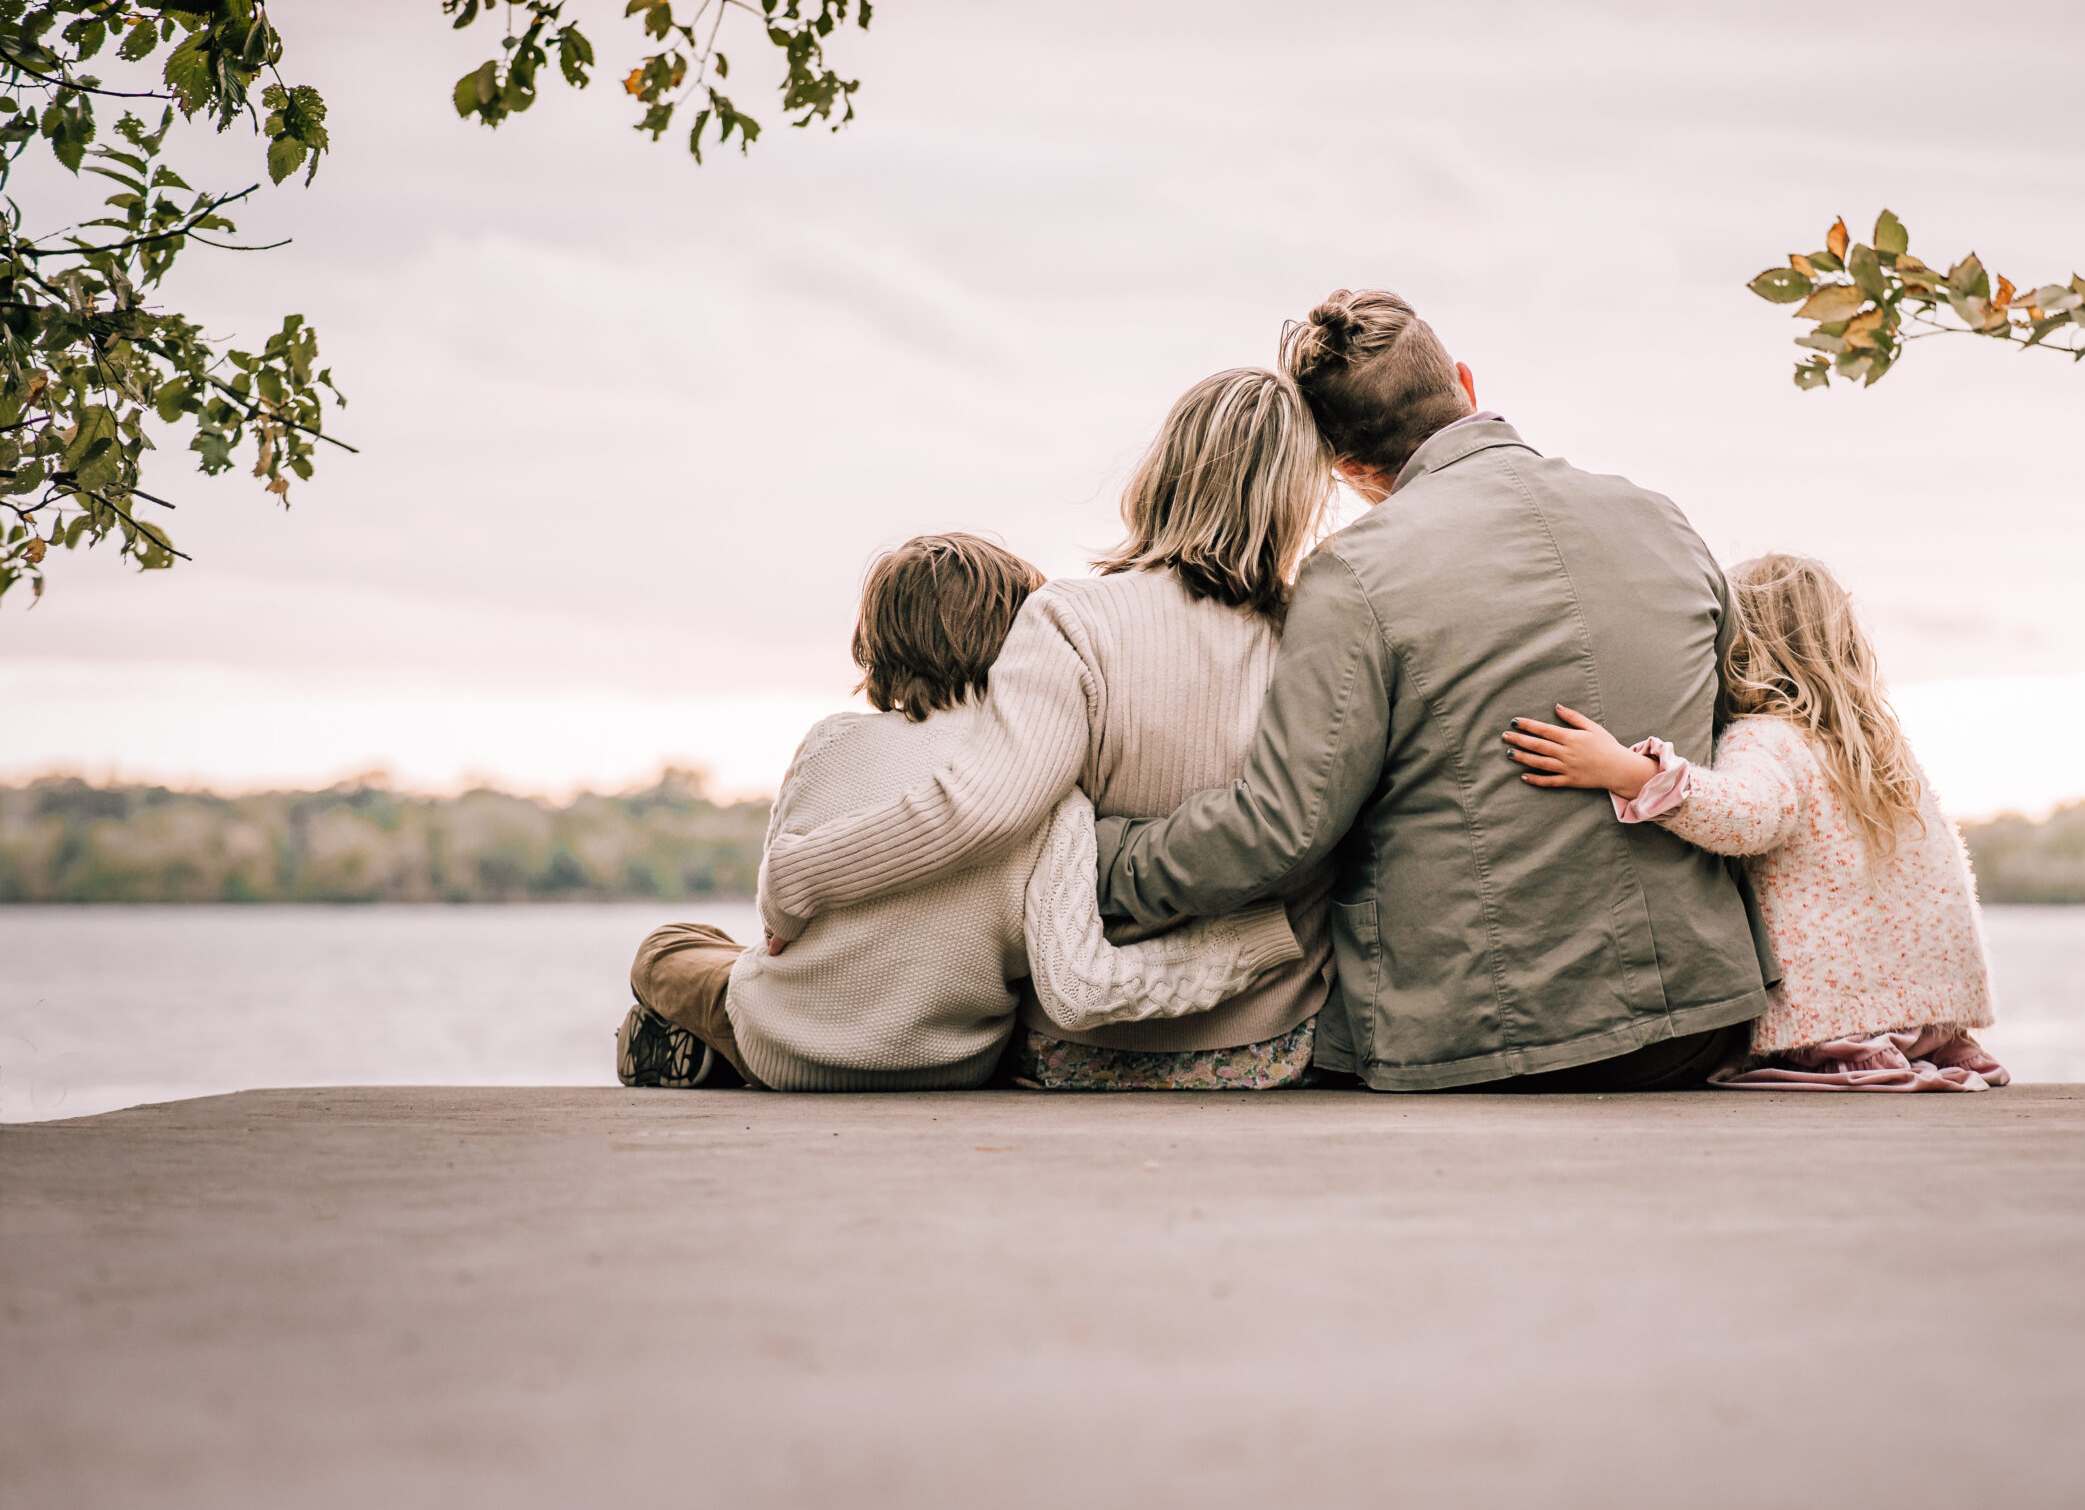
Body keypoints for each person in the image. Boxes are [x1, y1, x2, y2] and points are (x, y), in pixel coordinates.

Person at [1085, 289, 1777, 1092]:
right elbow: (1738, 738)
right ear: (1466, 382)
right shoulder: (1664, 519)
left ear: (1345, 469)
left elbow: (1281, 825)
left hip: (1476, 1041)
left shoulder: (1353, 570)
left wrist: (1102, 859)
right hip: (1699, 1021)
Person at [755, 367, 1341, 1089]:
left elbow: (980, 807)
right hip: (1271, 1047)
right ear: (1301, 499)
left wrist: (798, 872)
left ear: (1164, 470)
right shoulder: (1321, 641)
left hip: (1076, 1053)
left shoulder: (1072, 619)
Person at [616, 533, 1300, 1091]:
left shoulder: (830, 741)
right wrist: (1247, 949)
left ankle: (704, 1047)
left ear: (873, 641)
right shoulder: (1049, 799)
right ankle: (708, 1047)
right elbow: (1081, 989)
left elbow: (777, 929)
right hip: (947, 1063)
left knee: (670, 947)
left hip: (784, 1046)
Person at [1501, 553, 2008, 1091]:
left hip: (1839, 1026)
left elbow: (1745, 816)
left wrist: (1627, 772)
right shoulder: (1880, 754)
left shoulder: (1768, 739)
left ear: (1739, 648)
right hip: (1931, 1019)